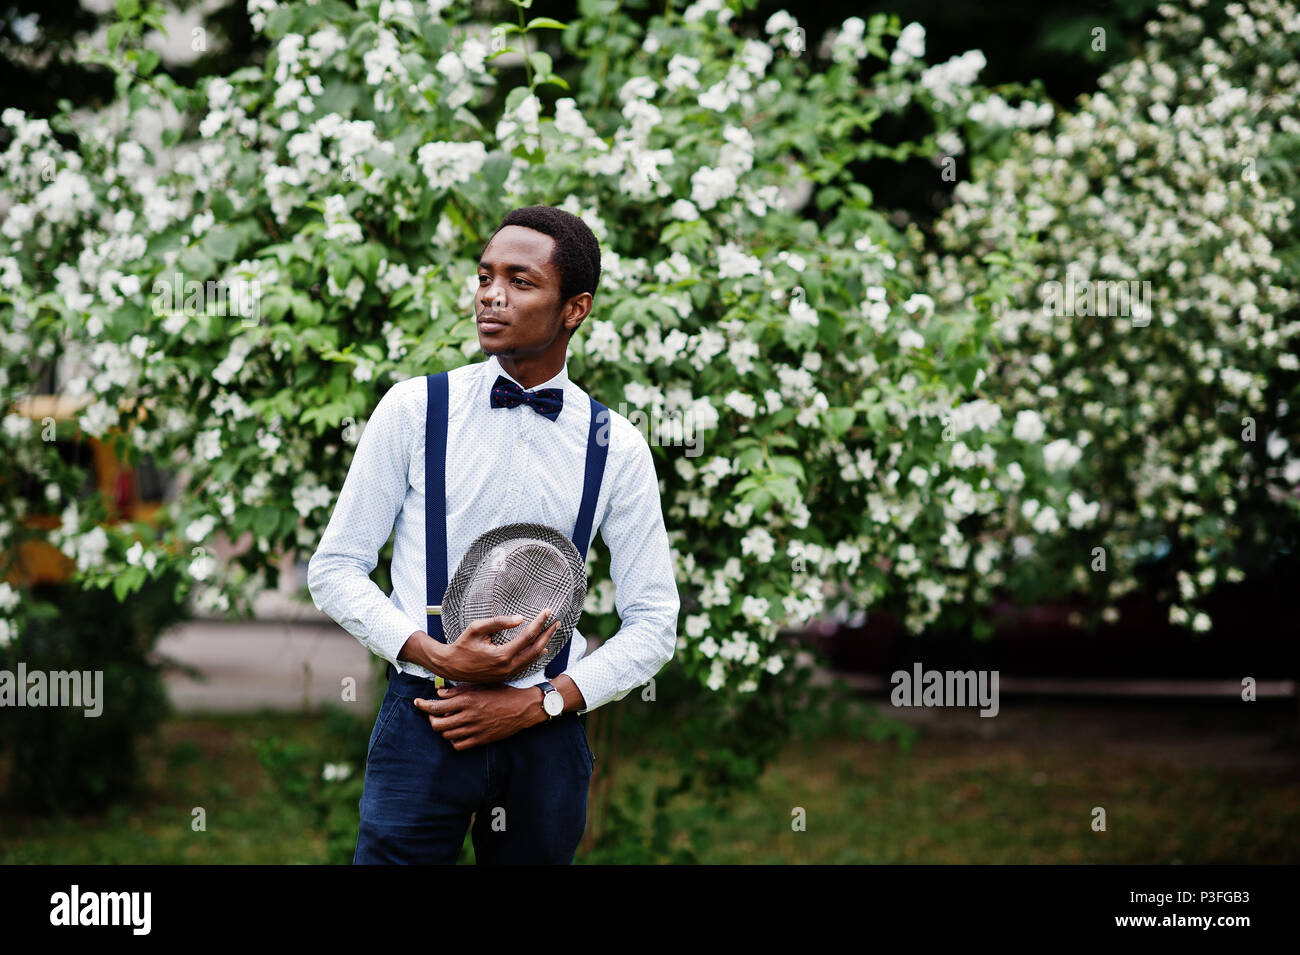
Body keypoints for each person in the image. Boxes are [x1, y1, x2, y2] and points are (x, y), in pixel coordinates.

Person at [307, 205, 680, 864]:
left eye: (520, 279)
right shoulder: (415, 410)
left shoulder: (614, 445)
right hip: (428, 713)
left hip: (549, 736)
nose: (491, 294)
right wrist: (435, 654)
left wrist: (541, 704)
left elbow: (653, 621)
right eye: (484, 276)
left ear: (575, 307)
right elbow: (334, 567)